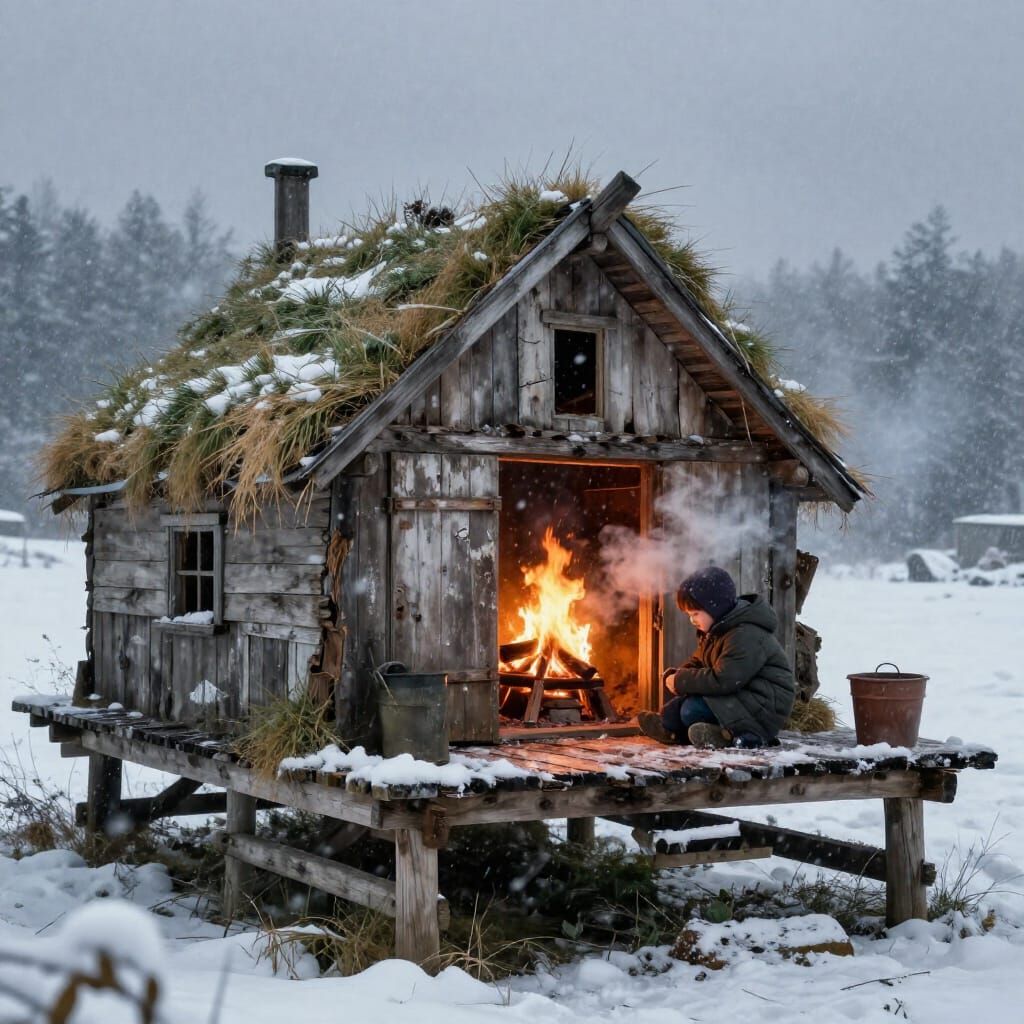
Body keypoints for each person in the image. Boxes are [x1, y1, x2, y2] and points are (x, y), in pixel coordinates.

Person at [638, 566, 795, 748]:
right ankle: (674, 730)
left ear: (715, 607)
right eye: (689, 615)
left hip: (761, 708)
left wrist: (682, 680)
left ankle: (739, 736)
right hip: (736, 699)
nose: (692, 620)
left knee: (690, 710)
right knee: (672, 711)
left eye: (695, 613)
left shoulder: (745, 635)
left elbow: (725, 679)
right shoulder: (717, 632)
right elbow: (699, 662)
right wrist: (679, 675)